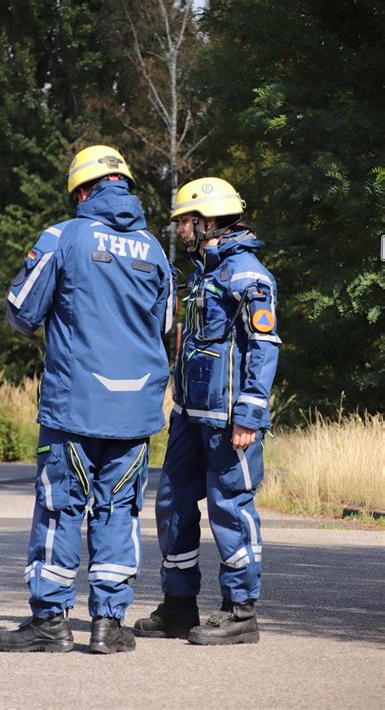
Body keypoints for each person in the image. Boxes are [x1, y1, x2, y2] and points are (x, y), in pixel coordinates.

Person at [0, 145, 174, 654]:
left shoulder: (63, 236)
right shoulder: (155, 249)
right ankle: (108, 626)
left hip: (75, 406)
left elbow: (23, 311)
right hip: (136, 411)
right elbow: (162, 326)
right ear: (125, 186)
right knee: (119, 512)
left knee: (59, 510)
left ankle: (51, 622)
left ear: (80, 190)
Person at [134, 177, 280, 645]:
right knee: (173, 504)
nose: (179, 228)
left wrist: (249, 416)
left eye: (184, 221)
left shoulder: (248, 275)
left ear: (209, 220)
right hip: (189, 414)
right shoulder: (203, 272)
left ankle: (240, 611)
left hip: (227, 420)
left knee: (230, 508)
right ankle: (179, 606)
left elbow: (263, 348)